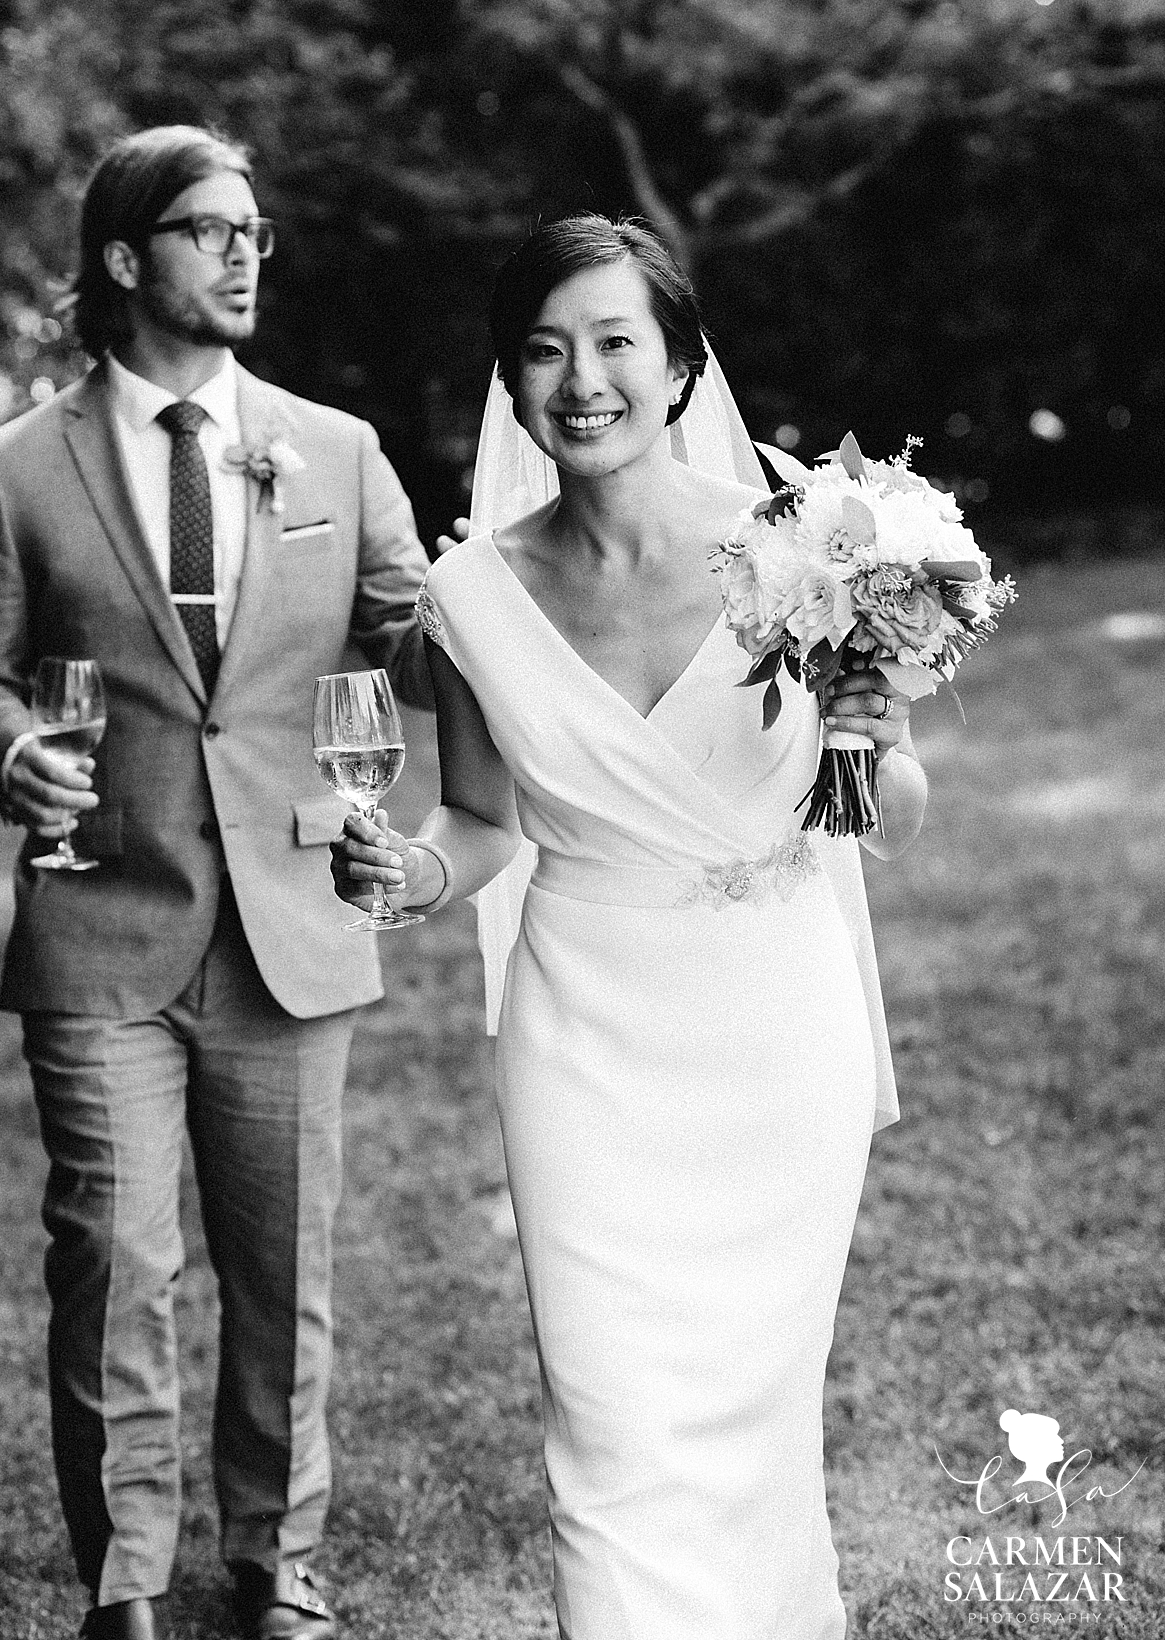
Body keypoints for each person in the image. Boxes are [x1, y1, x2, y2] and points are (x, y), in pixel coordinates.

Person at [331, 215, 928, 1639]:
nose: (579, 379)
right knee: (605, 1430)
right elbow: (477, 826)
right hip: (587, 1044)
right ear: (511, 383)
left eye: (613, 343)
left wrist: (875, 735)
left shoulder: (811, 544)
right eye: (542, 350)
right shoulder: (472, 593)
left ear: (676, 368)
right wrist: (408, 879)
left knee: (755, 1423)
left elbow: (888, 803)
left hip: (777, 1035)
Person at [0, 126, 436, 1640]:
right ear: (124, 257)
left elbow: (416, 645)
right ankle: (127, 1584)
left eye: (256, 231)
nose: (244, 254)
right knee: (115, 1260)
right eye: (208, 228)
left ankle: (275, 1562)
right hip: (103, 919)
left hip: (295, 922)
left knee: (284, 1268)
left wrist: (548, 573)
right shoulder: (8, 469)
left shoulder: (339, 449)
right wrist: (6, 747)